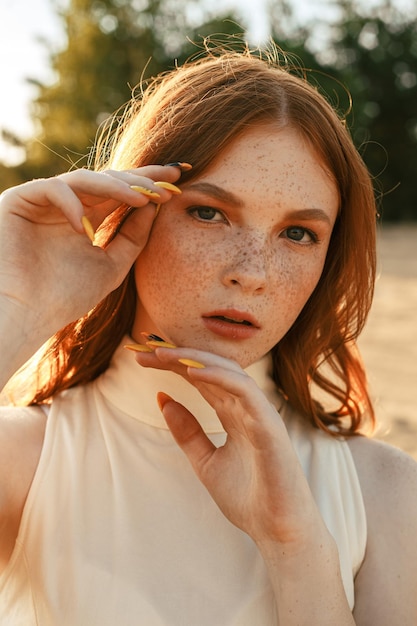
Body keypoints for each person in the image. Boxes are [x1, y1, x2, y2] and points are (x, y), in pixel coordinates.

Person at [0, 41, 416, 626]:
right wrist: (15, 310)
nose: (252, 273)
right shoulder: (26, 459)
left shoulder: (386, 491)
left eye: (297, 234)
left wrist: (294, 546)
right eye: (208, 212)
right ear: (131, 208)